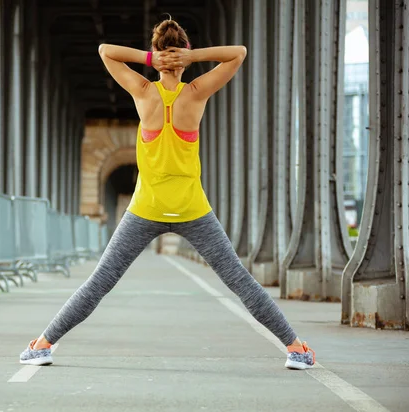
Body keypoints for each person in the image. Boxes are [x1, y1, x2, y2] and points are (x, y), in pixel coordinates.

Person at [20, 18, 315, 370]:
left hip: (145, 209)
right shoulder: (195, 93)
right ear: (183, 52)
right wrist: (190, 59)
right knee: (240, 282)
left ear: (157, 53)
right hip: (193, 210)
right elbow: (238, 54)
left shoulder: (144, 92)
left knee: (99, 283)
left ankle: (42, 345)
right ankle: (296, 349)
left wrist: (149, 59)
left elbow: (105, 52)